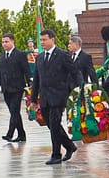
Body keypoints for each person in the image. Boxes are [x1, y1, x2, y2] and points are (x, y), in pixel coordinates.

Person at [30, 29, 79, 165]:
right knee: (52, 125)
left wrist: (76, 91)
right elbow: (37, 80)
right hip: (45, 97)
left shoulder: (63, 55)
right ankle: (69, 146)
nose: (43, 43)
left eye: (45, 40)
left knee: (55, 123)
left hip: (59, 96)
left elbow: (75, 73)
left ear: (52, 39)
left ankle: (56, 154)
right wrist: (33, 99)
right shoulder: (39, 58)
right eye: (41, 40)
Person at [0, 33, 30, 142]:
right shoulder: (1, 56)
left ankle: (9, 134)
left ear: (12, 42)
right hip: (6, 89)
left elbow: (26, 71)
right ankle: (22, 134)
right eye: (2, 42)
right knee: (14, 112)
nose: (4, 44)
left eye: (6, 42)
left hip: (17, 88)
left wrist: (30, 86)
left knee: (15, 110)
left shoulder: (20, 54)